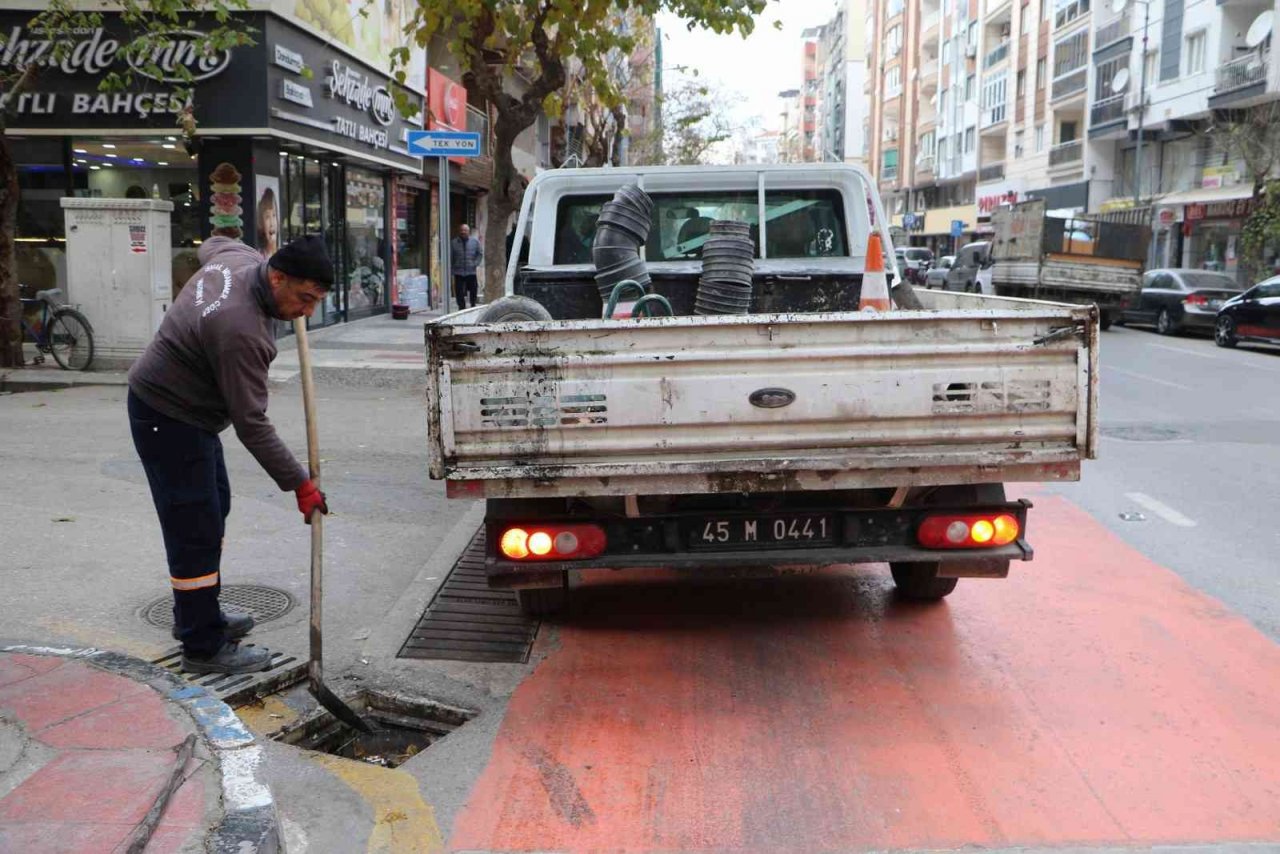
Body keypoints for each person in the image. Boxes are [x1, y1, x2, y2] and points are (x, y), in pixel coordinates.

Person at [127, 234, 334, 675]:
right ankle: (202, 647)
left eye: (316, 301)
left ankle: (200, 614)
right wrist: (299, 483)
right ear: (276, 278)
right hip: (168, 415)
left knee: (214, 508)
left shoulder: (241, 258)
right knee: (195, 528)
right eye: (304, 299)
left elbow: (213, 244)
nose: (307, 312)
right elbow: (251, 424)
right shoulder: (242, 331)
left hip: (188, 417)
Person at [450, 223, 483, 309]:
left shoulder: (475, 242)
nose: (463, 232)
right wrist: (452, 267)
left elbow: (480, 253)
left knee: (473, 289)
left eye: (465, 230)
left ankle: (473, 304)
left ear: (468, 232)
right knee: (459, 291)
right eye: (461, 230)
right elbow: (450, 256)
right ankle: (461, 307)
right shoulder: (453, 243)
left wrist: (475, 263)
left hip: (471, 271)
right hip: (458, 271)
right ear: (459, 231)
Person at [256, 187, 279, 256]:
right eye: (267, 217)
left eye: (274, 215)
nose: (272, 223)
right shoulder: (258, 256)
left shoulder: (285, 254)